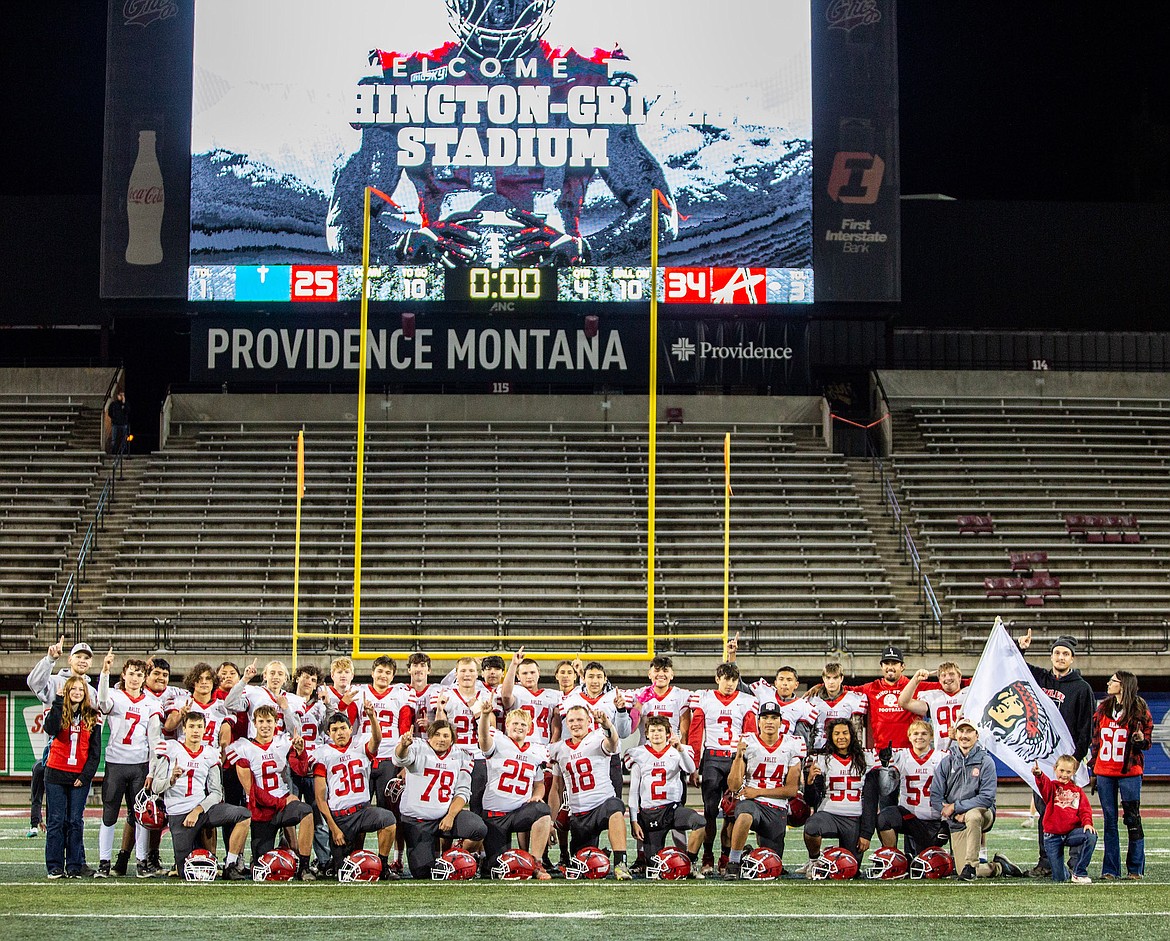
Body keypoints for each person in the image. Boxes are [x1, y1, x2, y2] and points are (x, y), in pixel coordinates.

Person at [328, 0, 671, 268]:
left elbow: (658, 212)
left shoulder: (587, 80)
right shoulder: (405, 79)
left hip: (556, 286)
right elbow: (346, 218)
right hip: (439, 287)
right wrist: (398, 247)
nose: (499, 11)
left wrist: (589, 250)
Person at [1017, 631, 1094, 877]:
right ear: (1051, 657)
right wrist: (1021, 649)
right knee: (1045, 811)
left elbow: (1086, 727)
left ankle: (1073, 863)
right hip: (1043, 758)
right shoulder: (1041, 678)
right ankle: (1046, 863)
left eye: (1065, 654)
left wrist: (1076, 760)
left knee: (1070, 810)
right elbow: (1016, 669)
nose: (1061, 657)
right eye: (1057, 653)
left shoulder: (1082, 689)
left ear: (1072, 659)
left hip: (1069, 761)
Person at [150, 710, 251, 879]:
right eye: (191, 726)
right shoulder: (171, 749)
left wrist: (197, 810)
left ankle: (230, 865)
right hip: (179, 813)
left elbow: (216, 793)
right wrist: (171, 780)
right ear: (184, 728)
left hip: (201, 811)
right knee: (187, 873)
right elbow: (155, 787)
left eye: (199, 727)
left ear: (205, 730)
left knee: (244, 815)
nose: (195, 731)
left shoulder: (210, 753)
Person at [686, 661, 758, 875]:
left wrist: (748, 765)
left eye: (734, 680)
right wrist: (693, 766)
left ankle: (725, 857)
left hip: (735, 759)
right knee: (709, 811)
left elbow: (750, 735)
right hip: (713, 758)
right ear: (717, 679)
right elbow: (696, 734)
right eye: (726, 679)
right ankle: (708, 855)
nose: (729, 684)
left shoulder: (746, 701)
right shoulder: (704, 698)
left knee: (732, 812)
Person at [392, 720, 487, 880]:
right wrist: (403, 746)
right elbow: (399, 760)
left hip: (445, 816)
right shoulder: (417, 747)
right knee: (422, 873)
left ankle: (453, 856)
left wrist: (450, 816)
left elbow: (462, 792)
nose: (441, 739)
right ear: (429, 736)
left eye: (446, 735)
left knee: (478, 828)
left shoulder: (461, 755)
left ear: (452, 739)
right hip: (418, 820)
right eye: (437, 734)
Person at [229, 704, 315, 878]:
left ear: (276, 722)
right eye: (261, 721)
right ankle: (280, 846)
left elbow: (301, 770)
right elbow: (251, 791)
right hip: (262, 811)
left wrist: (301, 753)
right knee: (261, 864)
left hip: (283, 806)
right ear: (254, 723)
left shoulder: (283, 742)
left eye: (269, 721)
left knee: (307, 812)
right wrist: (281, 802)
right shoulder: (243, 747)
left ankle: (304, 865)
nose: (265, 725)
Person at [314, 703, 399, 879]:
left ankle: (383, 865)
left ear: (350, 729)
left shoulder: (360, 744)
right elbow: (320, 798)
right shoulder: (323, 754)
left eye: (343, 728)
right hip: (341, 817)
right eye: (335, 729)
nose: (339, 733)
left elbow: (377, 740)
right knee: (343, 871)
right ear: (329, 733)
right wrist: (334, 828)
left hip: (363, 810)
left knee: (388, 819)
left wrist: (372, 717)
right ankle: (332, 861)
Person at [547, 704, 631, 879]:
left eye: (579, 719)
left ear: (588, 721)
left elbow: (613, 743)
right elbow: (555, 787)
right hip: (579, 814)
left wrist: (607, 725)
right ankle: (571, 856)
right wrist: (550, 821)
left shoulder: (598, 737)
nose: (575, 723)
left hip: (602, 804)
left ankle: (621, 863)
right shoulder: (558, 749)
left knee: (616, 808)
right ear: (566, 724)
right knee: (584, 866)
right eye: (571, 720)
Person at [96, 649, 161, 878]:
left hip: (140, 764)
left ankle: (141, 862)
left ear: (145, 678)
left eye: (139, 674)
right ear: (123, 675)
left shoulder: (151, 703)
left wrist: (152, 770)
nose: (135, 678)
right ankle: (104, 862)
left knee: (140, 816)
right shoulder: (116, 696)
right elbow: (102, 703)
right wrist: (104, 672)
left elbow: (154, 739)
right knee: (109, 814)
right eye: (131, 673)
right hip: (116, 762)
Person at [723, 701, 805, 880]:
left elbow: (792, 790)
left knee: (771, 865)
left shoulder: (792, 744)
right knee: (745, 815)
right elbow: (734, 786)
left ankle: (748, 854)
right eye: (765, 717)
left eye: (774, 717)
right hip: (752, 803)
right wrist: (738, 757)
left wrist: (758, 791)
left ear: (781, 722)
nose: (769, 721)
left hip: (776, 807)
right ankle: (734, 862)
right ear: (758, 722)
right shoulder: (748, 742)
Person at [930, 716, 1018, 880]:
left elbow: (986, 798)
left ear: (976, 735)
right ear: (956, 735)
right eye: (961, 731)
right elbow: (935, 796)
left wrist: (956, 806)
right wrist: (955, 815)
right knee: (961, 869)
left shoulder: (986, 761)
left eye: (969, 731)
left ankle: (971, 865)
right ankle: (998, 866)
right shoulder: (946, 762)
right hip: (956, 820)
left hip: (983, 814)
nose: (965, 735)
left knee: (973, 815)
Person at [477, 698, 553, 879]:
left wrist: (537, 796)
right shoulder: (499, 741)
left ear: (529, 729)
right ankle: (484, 858)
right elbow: (484, 739)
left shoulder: (536, 751)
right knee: (497, 868)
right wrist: (485, 716)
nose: (519, 727)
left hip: (520, 813)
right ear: (507, 726)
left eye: (523, 724)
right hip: (495, 815)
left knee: (542, 809)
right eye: (515, 723)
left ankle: (536, 863)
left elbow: (539, 784)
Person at [1090, 670, 1153, 880]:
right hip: (1105, 770)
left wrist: (1140, 740)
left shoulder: (1139, 708)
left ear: (1124, 685)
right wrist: (1093, 769)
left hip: (1129, 771)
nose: (1108, 683)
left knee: (1132, 819)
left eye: (1113, 681)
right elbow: (1096, 741)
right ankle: (1110, 869)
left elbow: (1147, 741)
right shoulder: (1103, 707)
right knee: (1109, 820)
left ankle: (1135, 868)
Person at [625, 715, 705, 875]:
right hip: (650, 813)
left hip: (673, 809)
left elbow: (690, 769)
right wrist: (634, 820)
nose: (656, 734)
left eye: (660, 730)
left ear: (668, 733)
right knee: (654, 867)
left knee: (700, 823)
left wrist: (680, 749)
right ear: (646, 734)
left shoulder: (679, 751)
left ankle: (690, 863)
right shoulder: (638, 753)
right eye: (653, 730)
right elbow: (633, 791)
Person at [800, 718, 879, 874]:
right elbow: (811, 800)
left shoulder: (865, 759)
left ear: (852, 735)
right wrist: (809, 784)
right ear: (831, 736)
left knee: (850, 870)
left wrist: (866, 833)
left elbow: (871, 799)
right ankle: (814, 860)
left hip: (854, 818)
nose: (841, 737)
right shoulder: (822, 759)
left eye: (845, 733)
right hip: (829, 815)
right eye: (836, 733)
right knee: (812, 826)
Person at [43, 676, 102, 878]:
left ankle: (75, 865)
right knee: (56, 820)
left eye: (80, 689)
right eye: (73, 689)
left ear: (85, 693)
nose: (77, 692)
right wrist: (58, 702)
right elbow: (50, 729)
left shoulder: (93, 715)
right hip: (55, 773)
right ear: (66, 692)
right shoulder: (59, 709)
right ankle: (55, 866)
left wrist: (85, 776)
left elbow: (95, 752)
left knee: (75, 821)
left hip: (79, 777)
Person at [874, 719, 947, 856]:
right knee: (883, 818)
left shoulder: (942, 757)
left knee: (922, 863)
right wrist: (885, 766)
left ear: (931, 737)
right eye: (915, 733)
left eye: (924, 734)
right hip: (909, 817)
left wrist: (945, 822)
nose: (919, 737)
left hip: (932, 820)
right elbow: (884, 787)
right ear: (909, 737)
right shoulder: (900, 756)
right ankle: (892, 856)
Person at [1032, 756, 1097, 883]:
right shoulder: (1051, 787)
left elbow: (1085, 810)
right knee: (1060, 878)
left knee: (1091, 835)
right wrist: (1039, 775)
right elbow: (1043, 785)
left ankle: (1079, 872)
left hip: (1070, 834)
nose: (1064, 775)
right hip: (1052, 836)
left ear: (1073, 772)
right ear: (1055, 769)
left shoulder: (1078, 791)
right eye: (1061, 771)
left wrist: (1088, 823)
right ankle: (1065, 873)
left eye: (1068, 772)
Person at [898, 662, 968, 751]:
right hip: (943, 752)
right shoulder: (933, 697)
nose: (948, 678)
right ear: (939, 680)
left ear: (959, 677)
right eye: (943, 675)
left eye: (951, 674)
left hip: (967, 751)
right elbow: (904, 703)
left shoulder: (969, 693)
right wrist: (916, 679)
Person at [750, 666, 818, 750]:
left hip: (785, 752)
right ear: (775, 683)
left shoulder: (804, 706)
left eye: (789, 680)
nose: (784, 683)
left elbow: (802, 739)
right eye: (781, 679)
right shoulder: (764, 692)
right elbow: (739, 687)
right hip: (760, 748)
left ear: (796, 684)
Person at [807, 662, 867, 749]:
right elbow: (809, 731)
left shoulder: (853, 699)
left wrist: (856, 751)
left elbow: (856, 730)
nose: (831, 682)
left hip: (844, 749)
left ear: (841, 678)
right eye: (828, 677)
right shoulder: (812, 699)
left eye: (835, 678)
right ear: (823, 678)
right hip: (819, 748)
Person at [27, 636, 96, 706]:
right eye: (78, 657)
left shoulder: (92, 691)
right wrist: (49, 659)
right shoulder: (54, 682)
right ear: (70, 659)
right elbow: (33, 683)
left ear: (91, 663)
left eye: (86, 658)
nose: (82, 661)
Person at [107, 390, 129, 455]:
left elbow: (127, 411)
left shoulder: (126, 404)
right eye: (120, 395)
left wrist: (124, 404)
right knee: (114, 440)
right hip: (115, 424)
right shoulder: (113, 404)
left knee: (124, 439)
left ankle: (123, 452)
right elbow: (110, 412)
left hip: (123, 423)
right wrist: (114, 418)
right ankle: (113, 452)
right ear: (117, 396)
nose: (122, 397)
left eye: (123, 395)